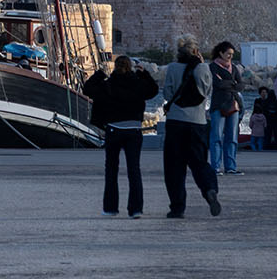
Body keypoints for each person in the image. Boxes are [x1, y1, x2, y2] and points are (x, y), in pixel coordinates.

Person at [83, 56, 159, 219]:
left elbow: (87, 89)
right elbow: (153, 90)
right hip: (133, 130)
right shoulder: (137, 83)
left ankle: (110, 208)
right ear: (130, 67)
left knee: (111, 170)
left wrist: (100, 73)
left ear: (115, 67)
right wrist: (143, 74)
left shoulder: (108, 84)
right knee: (134, 170)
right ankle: (135, 209)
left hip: (113, 130)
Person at [162, 35, 221, 219]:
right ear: (196, 51)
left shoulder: (172, 68)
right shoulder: (203, 68)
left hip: (175, 122)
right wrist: (202, 66)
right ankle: (209, 190)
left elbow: (167, 92)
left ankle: (177, 207)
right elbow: (207, 92)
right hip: (197, 122)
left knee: (174, 167)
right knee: (199, 163)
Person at [208, 41, 244, 176]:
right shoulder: (213, 67)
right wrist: (233, 83)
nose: (230, 56)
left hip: (233, 105)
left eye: (232, 54)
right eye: (228, 54)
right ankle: (215, 167)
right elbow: (218, 84)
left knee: (232, 137)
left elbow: (241, 85)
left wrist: (229, 84)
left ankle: (231, 167)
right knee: (216, 137)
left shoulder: (233, 68)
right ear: (221, 53)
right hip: (218, 105)